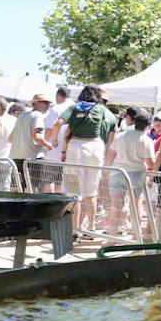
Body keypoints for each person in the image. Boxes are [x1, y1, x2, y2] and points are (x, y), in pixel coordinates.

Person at [62, 85, 117, 231]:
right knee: (91, 193)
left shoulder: (79, 108)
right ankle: (91, 227)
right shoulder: (110, 116)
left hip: (77, 150)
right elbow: (112, 143)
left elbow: (67, 133)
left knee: (74, 191)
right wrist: (107, 163)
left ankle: (75, 228)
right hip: (97, 153)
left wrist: (63, 151)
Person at [9, 94, 54, 191]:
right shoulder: (38, 115)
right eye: (45, 103)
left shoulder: (21, 116)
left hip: (16, 156)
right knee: (31, 187)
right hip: (32, 157)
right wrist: (48, 145)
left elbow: (10, 138)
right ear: (36, 103)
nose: (48, 105)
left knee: (16, 186)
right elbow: (37, 137)